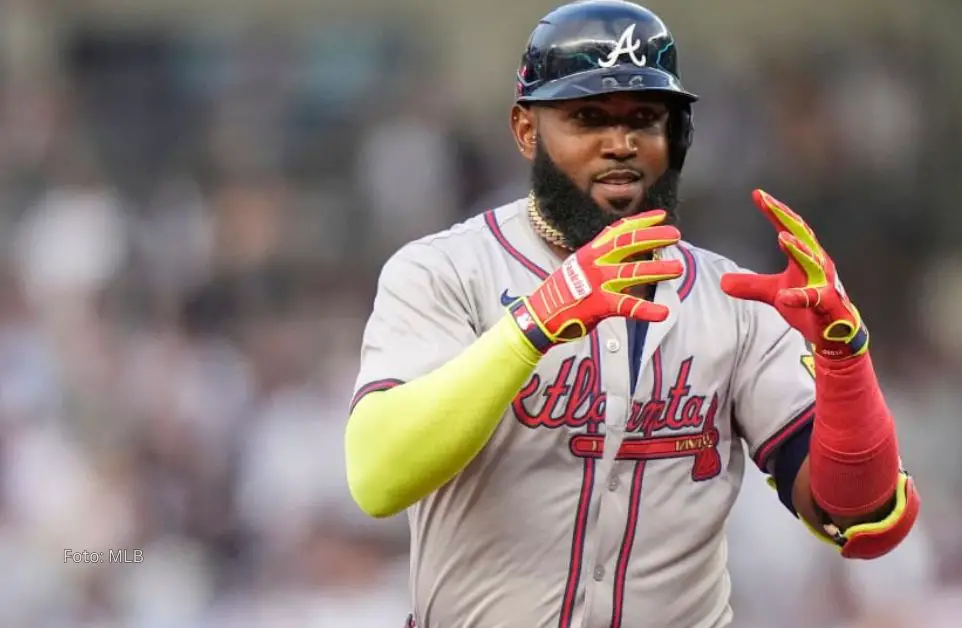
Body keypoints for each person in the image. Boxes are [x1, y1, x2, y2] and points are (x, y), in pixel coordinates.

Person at [344, 1, 920, 626]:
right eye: (587, 117)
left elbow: (860, 519)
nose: (619, 144)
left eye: (645, 118)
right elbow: (379, 477)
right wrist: (534, 325)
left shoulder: (734, 297)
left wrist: (845, 363)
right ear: (526, 130)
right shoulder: (445, 272)